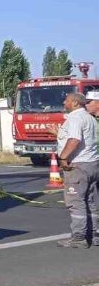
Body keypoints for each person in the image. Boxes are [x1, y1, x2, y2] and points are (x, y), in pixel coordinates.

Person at [55, 92, 99, 249]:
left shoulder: (74, 117)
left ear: (74, 103)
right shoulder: (90, 118)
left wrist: (63, 157)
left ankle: (79, 238)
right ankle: (94, 234)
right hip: (92, 164)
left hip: (78, 165)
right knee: (91, 201)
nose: (64, 102)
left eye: (66, 100)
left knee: (76, 201)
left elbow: (74, 139)